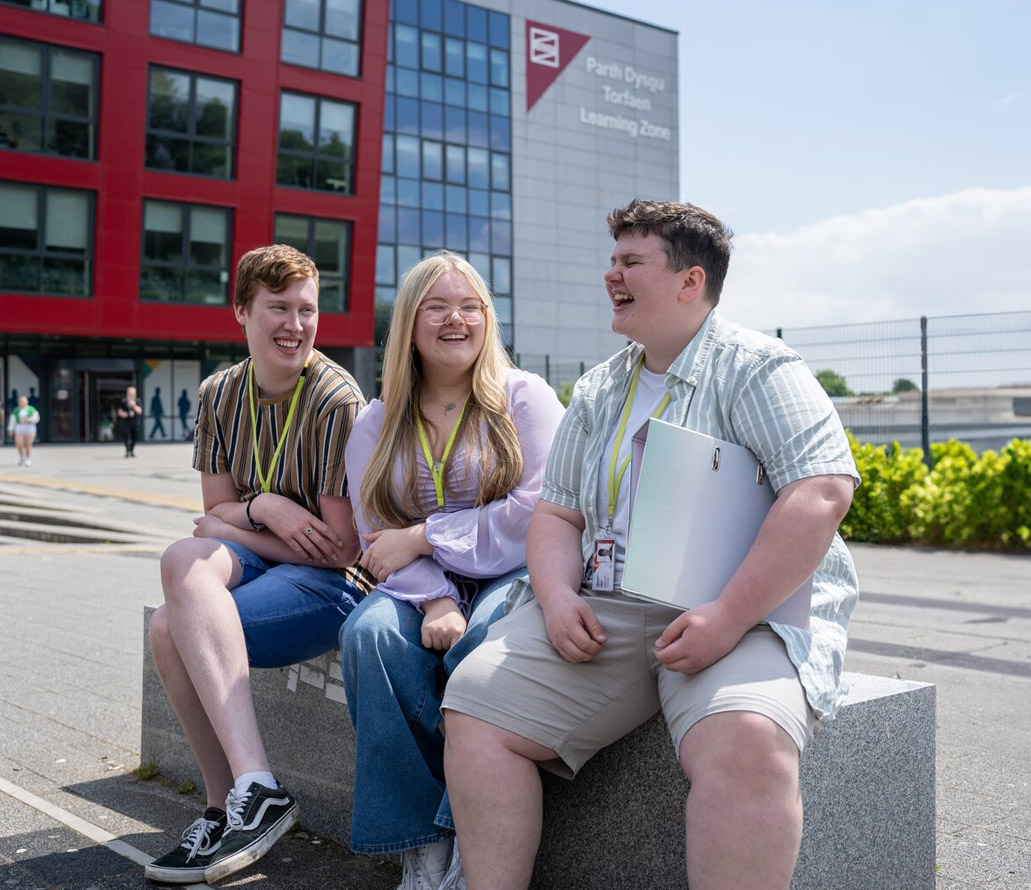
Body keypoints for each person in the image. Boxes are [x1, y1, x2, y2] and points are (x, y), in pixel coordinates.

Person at [441, 199, 861, 890]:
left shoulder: (758, 368)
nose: (612, 275)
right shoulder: (602, 385)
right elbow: (557, 515)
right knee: (477, 703)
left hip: (744, 610)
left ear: (689, 281)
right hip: (612, 603)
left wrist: (726, 617)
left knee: (750, 741)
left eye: (630, 262)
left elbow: (820, 492)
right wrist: (552, 600)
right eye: (611, 261)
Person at [339, 251, 564, 890]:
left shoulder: (526, 398)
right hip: (418, 587)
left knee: (484, 638)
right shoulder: (376, 423)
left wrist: (426, 535)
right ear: (410, 322)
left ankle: (472, 829)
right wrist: (434, 596)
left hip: (515, 575)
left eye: (470, 306)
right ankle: (422, 843)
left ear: (487, 319)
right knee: (369, 636)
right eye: (437, 307)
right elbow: (375, 537)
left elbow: (535, 514)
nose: (455, 319)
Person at [145, 244, 369, 885]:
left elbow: (339, 549)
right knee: (179, 564)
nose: (295, 325)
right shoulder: (219, 395)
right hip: (271, 560)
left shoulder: (335, 399)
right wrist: (269, 506)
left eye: (307, 309)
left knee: (171, 625)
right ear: (241, 310)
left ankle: (249, 794)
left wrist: (239, 520)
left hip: (331, 587)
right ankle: (231, 805)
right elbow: (212, 516)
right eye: (278, 308)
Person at [11, 395, 41, 466]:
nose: (22, 403)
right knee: (19, 444)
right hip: (19, 428)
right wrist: (11, 429)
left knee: (28, 444)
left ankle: (28, 458)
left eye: (23, 401)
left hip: (29, 428)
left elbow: (36, 418)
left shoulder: (31, 409)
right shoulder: (16, 410)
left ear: (27, 402)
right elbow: (12, 421)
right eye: (21, 401)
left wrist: (29, 420)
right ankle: (21, 457)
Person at [117, 385, 143, 456]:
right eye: (130, 394)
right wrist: (123, 414)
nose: (131, 395)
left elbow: (140, 411)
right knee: (127, 437)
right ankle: (127, 451)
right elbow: (119, 411)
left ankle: (131, 450)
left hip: (135, 422)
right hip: (126, 422)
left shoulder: (137, 401)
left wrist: (134, 405)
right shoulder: (123, 401)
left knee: (134, 437)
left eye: (132, 394)